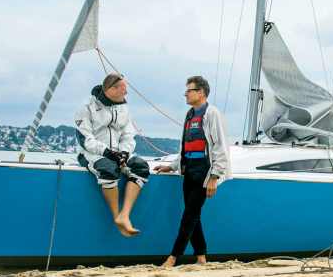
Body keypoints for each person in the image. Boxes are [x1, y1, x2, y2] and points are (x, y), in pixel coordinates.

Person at [154, 75, 231, 267]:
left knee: (189, 216)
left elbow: (220, 146)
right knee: (193, 215)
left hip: (204, 173)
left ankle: (172, 258)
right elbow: (186, 146)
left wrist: (214, 177)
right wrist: (171, 166)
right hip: (189, 171)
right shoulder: (190, 114)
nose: (185, 94)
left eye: (189, 90)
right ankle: (201, 258)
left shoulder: (212, 114)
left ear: (201, 93)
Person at [75, 73, 150, 236]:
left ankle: (124, 215)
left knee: (141, 167)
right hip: (92, 154)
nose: (126, 93)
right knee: (108, 169)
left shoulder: (124, 107)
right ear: (112, 89)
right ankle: (116, 216)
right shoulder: (87, 107)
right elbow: (84, 138)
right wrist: (107, 152)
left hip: (117, 152)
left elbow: (128, 135)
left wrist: (124, 152)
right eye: (124, 89)